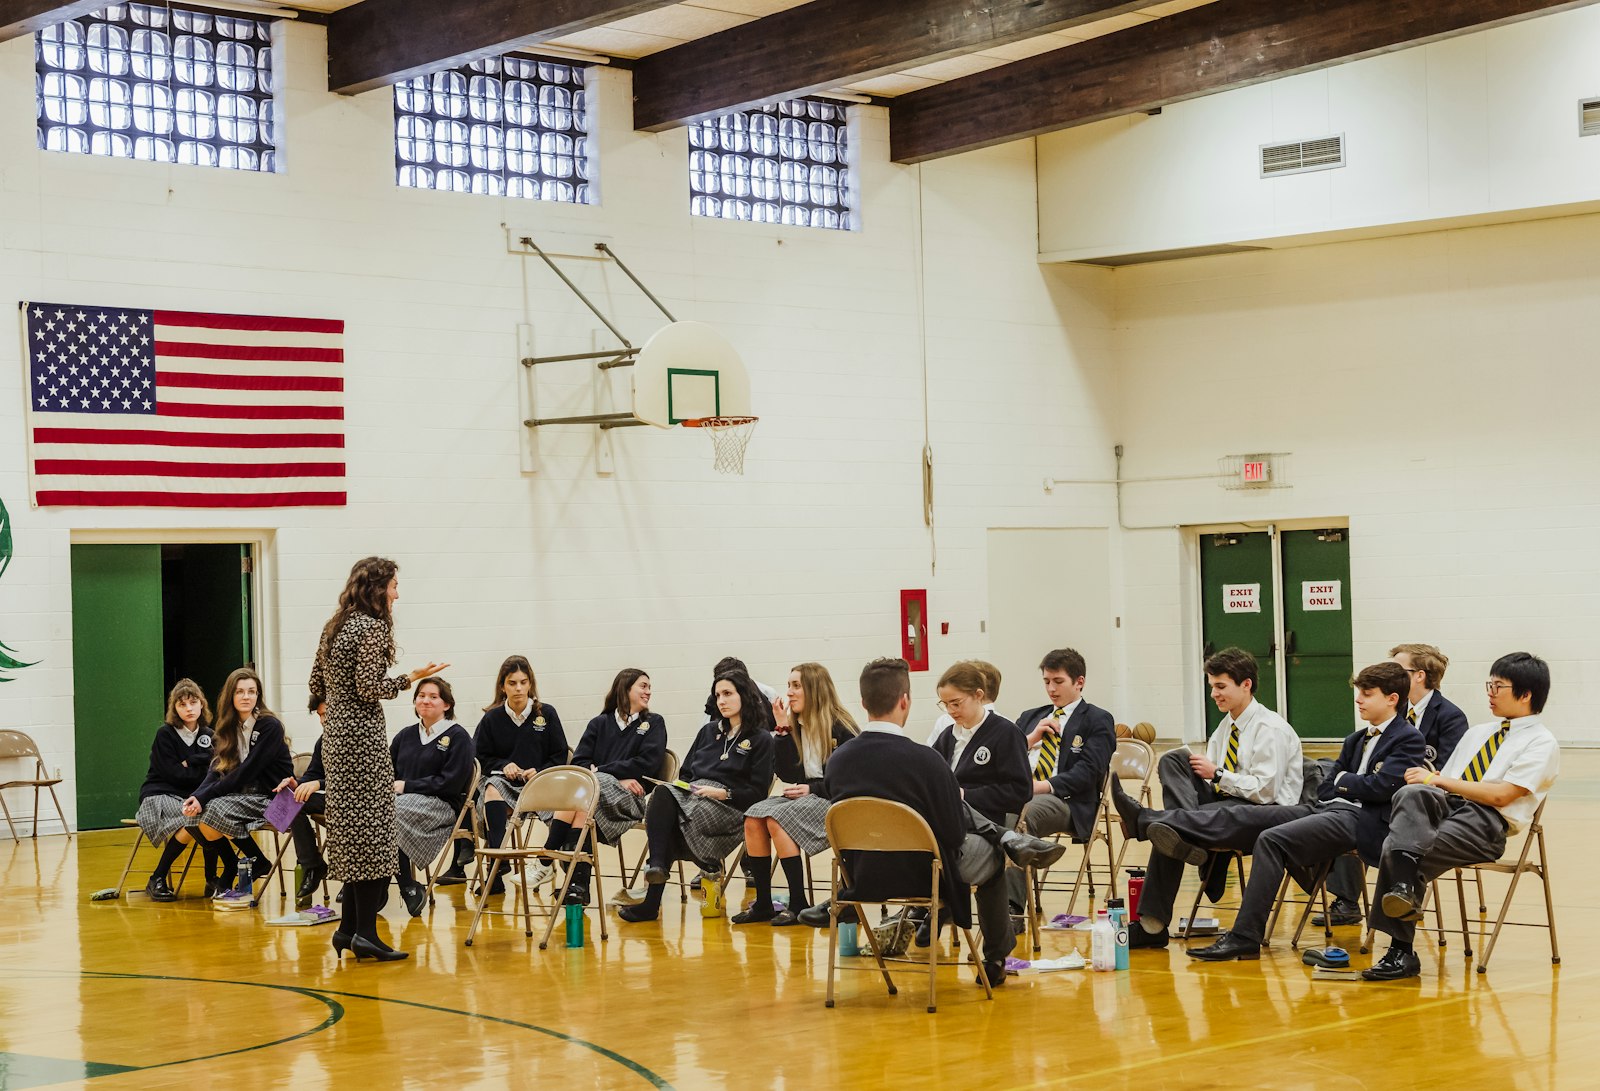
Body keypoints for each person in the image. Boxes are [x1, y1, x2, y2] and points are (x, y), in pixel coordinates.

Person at [795, 658, 1058, 989]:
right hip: (928, 873)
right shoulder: (926, 760)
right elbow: (950, 834)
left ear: (863, 703)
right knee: (990, 856)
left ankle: (998, 842)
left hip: (863, 876)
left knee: (952, 815)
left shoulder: (837, 762)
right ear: (905, 700)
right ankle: (995, 954)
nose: (950, 710)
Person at [1174, 661, 1427, 961]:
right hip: (1324, 809)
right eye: (1359, 692)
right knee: (1255, 821)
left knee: (1270, 840)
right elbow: (1327, 787)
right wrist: (1352, 783)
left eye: (1367, 694)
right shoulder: (1356, 739)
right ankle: (1156, 821)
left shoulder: (1408, 737)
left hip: (1358, 820)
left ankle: (1244, 936)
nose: (1358, 699)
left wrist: (1346, 781)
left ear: (1391, 699)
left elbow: (1381, 788)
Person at [1364, 651, 1559, 981]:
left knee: (1395, 848)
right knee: (1412, 793)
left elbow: (1501, 795)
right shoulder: (1478, 733)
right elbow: (1440, 788)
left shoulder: (1542, 742)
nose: (1490, 693)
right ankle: (1403, 887)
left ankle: (1400, 951)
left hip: (1483, 823)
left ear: (1525, 694)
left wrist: (1437, 779)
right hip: (1445, 810)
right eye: (1490, 685)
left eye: (1499, 686)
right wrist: (1430, 783)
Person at [307, 556, 446, 963]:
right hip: (363, 740)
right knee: (374, 835)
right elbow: (369, 687)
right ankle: (365, 932)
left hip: (335, 740)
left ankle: (348, 928)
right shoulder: (369, 627)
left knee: (352, 834)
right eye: (394, 586)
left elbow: (316, 685)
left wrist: (329, 708)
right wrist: (411, 678)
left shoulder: (334, 626)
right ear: (378, 589)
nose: (397, 594)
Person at [1123, 647, 1303, 948]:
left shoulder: (1270, 728)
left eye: (1220, 686)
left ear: (1246, 684)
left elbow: (1265, 792)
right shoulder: (1225, 728)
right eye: (1212, 687)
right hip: (1225, 806)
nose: (1214, 694)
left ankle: (1153, 924)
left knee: (1169, 829)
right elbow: (1215, 783)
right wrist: (1213, 776)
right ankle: (1187, 835)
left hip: (1265, 813)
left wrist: (1218, 774)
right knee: (1172, 761)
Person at [1315, 642, 1470, 927]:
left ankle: (1383, 899)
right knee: (1332, 784)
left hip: (1420, 800)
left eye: (1399, 669)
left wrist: (1394, 775)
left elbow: (1448, 770)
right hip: (1381, 788)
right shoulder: (1387, 708)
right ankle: (1346, 898)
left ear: (1419, 676)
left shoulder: (1450, 716)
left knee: (1361, 808)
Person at [618, 670, 776, 924]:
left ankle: (651, 897)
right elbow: (687, 772)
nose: (721, 701)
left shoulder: (761, 739)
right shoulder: (708, 732)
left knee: (668, 822)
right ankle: (656, 870)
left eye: (727, 694)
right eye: (717, 695)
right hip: (694, 797)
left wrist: (723, 793)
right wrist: (688, 787)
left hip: (729, 805)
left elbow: (757, 794)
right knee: (662, 791)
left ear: (744, 696)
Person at [734, 662, 858, 925]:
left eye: (796, 686)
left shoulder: (841, 726)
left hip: (833, 799)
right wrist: (782, 729)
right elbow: (789, 774)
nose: (789, 692)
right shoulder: (797, 723)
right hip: (806, 795)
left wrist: (814, 788)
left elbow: (852, 779)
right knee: (753, 816)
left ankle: (798, 900)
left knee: (775, 818)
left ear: (814, 689)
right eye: (788, 685)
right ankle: (764, 904)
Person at [545, 668, 668, 908]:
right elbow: (579, 764)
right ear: (625, 688)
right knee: (583, 806)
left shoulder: (654, 723)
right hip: (593, 799)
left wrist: (603, 772)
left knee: (585, 795)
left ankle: (545, 859)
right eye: (643, 686)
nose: (648, 692)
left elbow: (647, 764)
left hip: (629, 797)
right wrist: (612, 776)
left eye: (649, 687)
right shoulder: (599, 723)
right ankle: (578, 887)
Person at [1010, 648, 1117, 910]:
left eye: (1058, 682)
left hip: (1066, 801)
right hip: (1021, 791)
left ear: (1079, 682)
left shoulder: (1097, 719)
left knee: (1020, 816)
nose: (1051, 689)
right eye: (1046, 681)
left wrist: (1042, 786)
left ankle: (1010, 909)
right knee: (978, 812)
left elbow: (1089, 772)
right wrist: (1028, 740)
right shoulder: (1030, 717)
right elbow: (1003, 758)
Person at [181, 667, 293, 908]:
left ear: (258, 696)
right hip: (244, 794)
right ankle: (234, 863)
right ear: (230, 696)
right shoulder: (228, 727)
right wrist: (197, 796)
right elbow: (217, 769)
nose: (246, 697)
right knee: (193, 818)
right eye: (240, 691)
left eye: (252, 692)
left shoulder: (269, 726)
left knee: (215, 810)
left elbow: (247, 771)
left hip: (276, 798)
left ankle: (257, 861)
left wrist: (207, 797)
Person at [470, 655, 568, 895]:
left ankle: (565, 875)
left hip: (540, 783)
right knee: (492, 788)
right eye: (512, 683)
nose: (518, 688)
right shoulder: (492, 718)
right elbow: (479, 756)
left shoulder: (547, 714)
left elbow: (560, 754)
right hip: (505, 782)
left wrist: (541, 770)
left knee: (569, 808)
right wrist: (505, 765)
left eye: (523, 682)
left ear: (530, 684)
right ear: (503, 686)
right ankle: (498, 866)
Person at [389, 675, 474, 916]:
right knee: (375, 813)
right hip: (402, 802)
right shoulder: (404, 736)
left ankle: (405, 884)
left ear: (446, 704)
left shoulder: (458, 737)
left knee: (389, 813)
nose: (426, 701)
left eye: (433, 697)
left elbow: (451, 783)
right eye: (421, 696)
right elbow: (387, 773)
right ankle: (384, 884)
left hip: (442, 804)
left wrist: (407, 786)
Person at [135, 678, 224, 900]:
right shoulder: (165, 735)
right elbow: (173, 775)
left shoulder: (208, 734)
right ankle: (157, 876)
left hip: (190, 796)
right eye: (182, 704)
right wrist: (201, 768)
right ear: (174, 708)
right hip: (159, 793)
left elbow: (216, 768)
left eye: (193, 702)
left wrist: (190, 761)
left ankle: (211, 880)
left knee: (208, 814)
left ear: (201, 704)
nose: (189, 708)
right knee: (194, 817)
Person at [276, 697, 330, 908]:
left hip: (356, 801)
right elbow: (313, 773)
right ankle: (312, 864)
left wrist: (319, 783)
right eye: (320, 716)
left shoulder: (358, 738)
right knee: (288, 800)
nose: (322, 721)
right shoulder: (323, 741)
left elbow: (355, 778)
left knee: (291, 804)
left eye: (326, 714)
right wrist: (295, 783)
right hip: (332, 798)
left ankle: (319, 868)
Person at [923, 660, 1000, 743]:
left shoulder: (1004, 729)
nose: (950, 711)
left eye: (956, 704)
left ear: (978, 695)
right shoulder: (947, 731)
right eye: (945, 704)